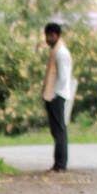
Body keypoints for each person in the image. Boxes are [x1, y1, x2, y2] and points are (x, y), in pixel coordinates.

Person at [42, 21, 73, 172]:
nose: (49, 38)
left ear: (58, 36)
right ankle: (58, 163)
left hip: (57, 95)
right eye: (47, 35)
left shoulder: (61, 53)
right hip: (53, 95)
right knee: (56, 131)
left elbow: (63, 77)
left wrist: (54, 94)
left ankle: (61, 164)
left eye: (51, 35)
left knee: (59, 130)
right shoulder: (55, 51)